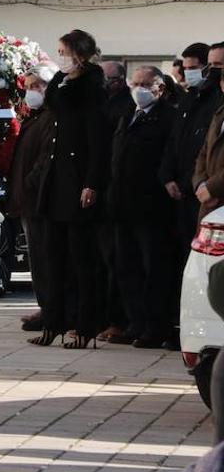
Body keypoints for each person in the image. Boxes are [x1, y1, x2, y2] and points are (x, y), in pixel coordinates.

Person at [32, 29, 109, 349]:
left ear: (79, 53)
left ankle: (85, 325)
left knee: (81, 261)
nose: (60, 56)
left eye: (64, 51)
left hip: (77, 181)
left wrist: (91, 182)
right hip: (56, 181)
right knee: (53, 258)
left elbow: (97, 142)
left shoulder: (91, 86)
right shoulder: (61, 85)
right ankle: (54, 321)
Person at [107, 66, 176, 347]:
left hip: (151, 206)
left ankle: (155, 326)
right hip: (123, 205)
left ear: (159, 88)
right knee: (126, 267)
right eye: (134, 83)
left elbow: (168, 158)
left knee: (153, 270)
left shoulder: (168, 118)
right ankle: (135, 322)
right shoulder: (128, 115)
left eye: (144, 84)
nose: (138, 89)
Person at [162, 42, 224, 349]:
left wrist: (211, 187)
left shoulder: (214, 100)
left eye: (218, 66)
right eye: (210, 67)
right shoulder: (201, 102)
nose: (213, 73)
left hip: (215, 199)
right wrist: (191, 181)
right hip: (196, 196)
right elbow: (197, 150)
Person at [8, 67, 56, 332]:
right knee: (37, 260)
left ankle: (52, 310)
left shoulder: (52, 117)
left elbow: (45, 158)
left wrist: (30, 184)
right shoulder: (35, 117)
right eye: (29, 86)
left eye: (38, 85)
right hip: (28, 200)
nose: (32, 91)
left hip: (41, 199)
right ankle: (45, 306)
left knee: (45, 258)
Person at [96, 60, 134, 343]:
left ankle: (118, 320)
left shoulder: (125, 108)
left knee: (116, 261)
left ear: (120, 80)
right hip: (100, 193)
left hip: (117, 194)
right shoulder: (101, 104)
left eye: (107, 78)